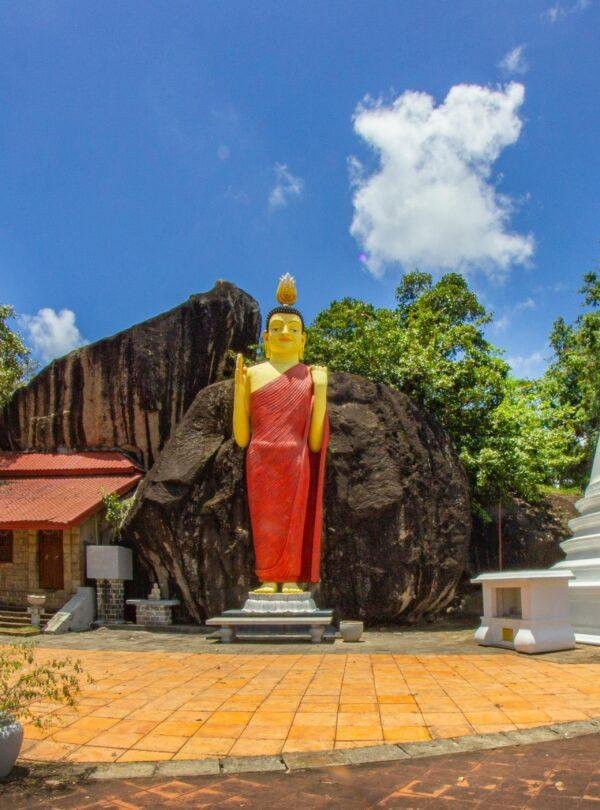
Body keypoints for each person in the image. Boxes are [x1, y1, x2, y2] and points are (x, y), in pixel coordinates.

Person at [232, 274, 328, 595]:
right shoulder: (253, 374)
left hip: (296, 458)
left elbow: (315, 442)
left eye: (293, 329)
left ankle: (289, 578)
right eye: (277, 329)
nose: (284, 333)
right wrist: (239, 390)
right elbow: (242, 438)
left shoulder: (310, 376)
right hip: (260, 458)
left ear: (304, 340)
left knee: (292, 521)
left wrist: (323, 390)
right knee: (265, 523)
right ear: (265, 337)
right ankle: (268, 577)